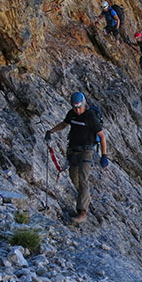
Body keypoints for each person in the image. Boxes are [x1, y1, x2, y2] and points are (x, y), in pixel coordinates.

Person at [44, 92, 109, 224]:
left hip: (86, 151)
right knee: (74, 177)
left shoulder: (90, 116)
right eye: (75, 107)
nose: (77, 110)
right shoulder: (72, 114)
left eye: (79, 107)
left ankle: (82, 212)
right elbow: (64, 124)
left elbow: (102, 136)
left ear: (84, 104)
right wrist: (51, 131)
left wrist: (104, 156)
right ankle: (85, 200)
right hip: (73, 150)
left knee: (83, 179)